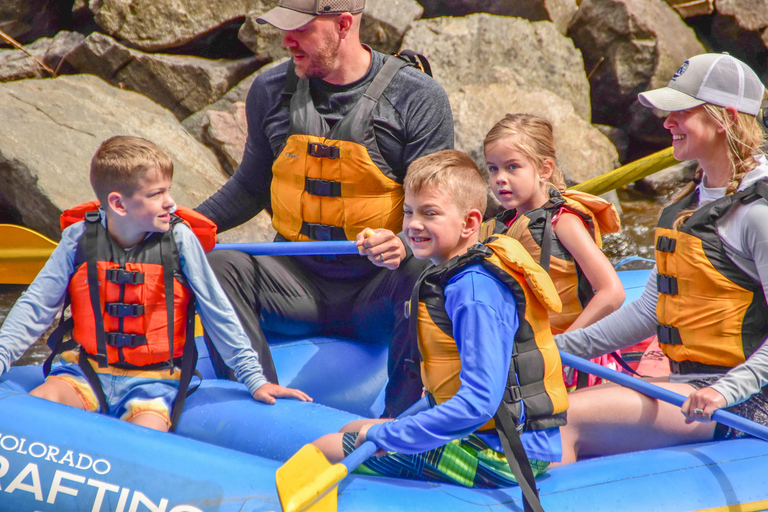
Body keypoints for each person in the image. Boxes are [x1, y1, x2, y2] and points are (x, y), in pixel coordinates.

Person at [194, 0, 454, 417]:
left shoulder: (417, 97)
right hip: (296, 287)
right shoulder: (269, 89)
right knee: (219, 265)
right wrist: (183, 226)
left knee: (426, 273)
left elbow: (443, 208)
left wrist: (404, 243)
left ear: (344, 24)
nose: (286, 41)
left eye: (301, 30)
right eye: (284, 29)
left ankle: (399, 425)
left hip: (377, 292)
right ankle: (253, 402)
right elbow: (251, 187)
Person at [0, 136, 310, 433]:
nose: (171, 203)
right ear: (119, 204)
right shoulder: (79, 238)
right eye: (156, 194)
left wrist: (254, 379)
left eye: (168, 191)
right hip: (82, 372)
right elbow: (36, 306)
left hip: (153, 384)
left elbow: (219, 315)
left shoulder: (179, 240)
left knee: (144, 443)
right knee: (38, 407)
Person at [311, 150, 568, 507]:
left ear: (468, 223)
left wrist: (393, 434)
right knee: (350, 431)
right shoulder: (454, 273)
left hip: (502, 453)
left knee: (326, 448)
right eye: (408, 211)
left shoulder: (474, 293)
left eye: (430, 213)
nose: (413, 224)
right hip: (490, 437)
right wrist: (389, 426)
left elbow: (479, 404)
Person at [554, 53, 768, 463]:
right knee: (550, 405)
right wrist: (557, 346)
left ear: (723, 117)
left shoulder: (757, 214)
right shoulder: (688, 203)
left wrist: (725, 390)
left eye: (679, 112)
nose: (666, 123)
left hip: (747, 397)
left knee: (567, 418)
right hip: (688, 384)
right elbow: (650, 310)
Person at [480, 114, 626, 390]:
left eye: (512, 167)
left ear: (544, 169)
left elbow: (612, 292)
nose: (500, 179)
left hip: (568, 359)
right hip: (524, 355)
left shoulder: (563, 222)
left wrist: (564, 348)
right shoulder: (501, 226)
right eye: (493, 168)